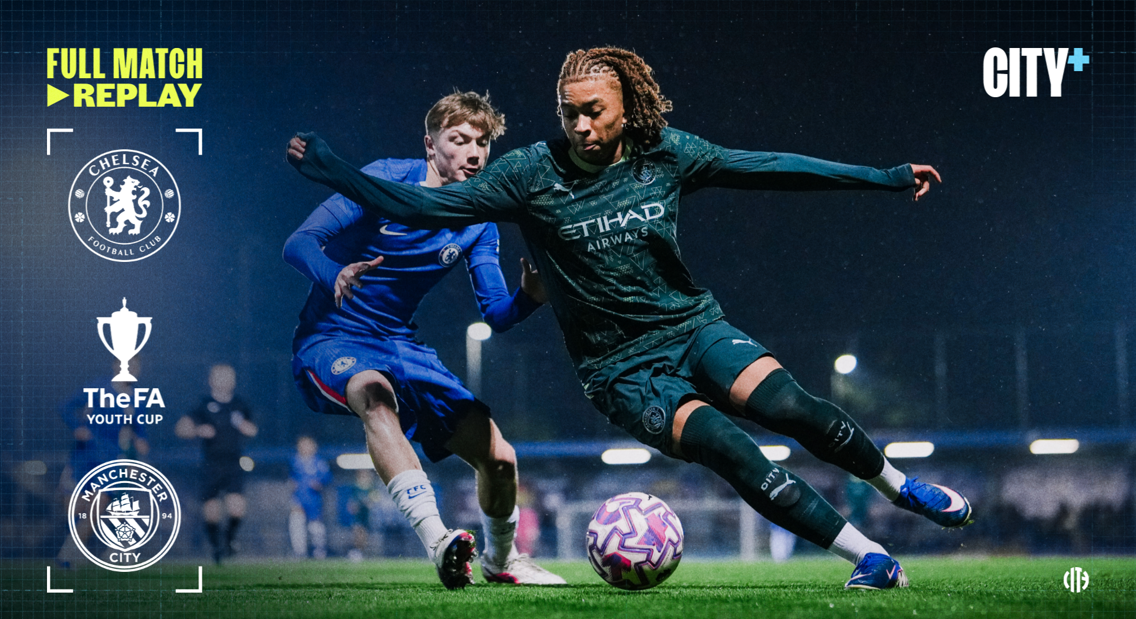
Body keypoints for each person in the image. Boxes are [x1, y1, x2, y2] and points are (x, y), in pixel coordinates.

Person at [287, 47, 975, 591]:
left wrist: (882, 177)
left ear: (629, 107)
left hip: (692, 326)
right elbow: (419, 209)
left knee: (794, 408)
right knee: (732, 450)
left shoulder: (665, 153)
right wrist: (338, 171)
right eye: (568, 114)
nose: (581, 126)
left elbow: (767, 167)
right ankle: (870, 558)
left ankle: (899, 486)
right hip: (620, 370)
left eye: (593, 111)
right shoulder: (529, 172)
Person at [283, 90, 564, 588]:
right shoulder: (385, 179)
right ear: (430, 145)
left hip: (401, 345)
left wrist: (530, 297)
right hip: (334, 334)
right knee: (375, 396)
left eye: (482, 143)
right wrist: (334, 274)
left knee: (500, 459)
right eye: (459, 140)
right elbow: (299, 242)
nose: (474, 153)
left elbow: (497, 314)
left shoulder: (479, 221)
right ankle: (438, 540)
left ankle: (503, 561)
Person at [56, 357, 151, 567]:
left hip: (110, 458)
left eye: (136, 366)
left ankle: (68, 555)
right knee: (73, 508)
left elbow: (139, 429)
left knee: (98, 504)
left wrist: (140, 445)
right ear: (115, 366)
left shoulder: (137, 399)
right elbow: (65, 407)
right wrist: (76, 427)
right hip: (84, 456)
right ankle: (75, 547)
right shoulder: (97, 387)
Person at [175, 363, 258, 564]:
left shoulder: (239, 404)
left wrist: (246, 428)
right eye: (221, 376)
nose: (226, 380)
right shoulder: (203, 405)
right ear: (211, 380)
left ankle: (229, 541)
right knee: (211, 512)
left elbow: (253, 429)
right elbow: (181, 428)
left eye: (229, 376)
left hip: (233, 463)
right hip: (211, 463)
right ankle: (216, 548)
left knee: (237, 508)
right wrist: (196, 431)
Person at [288, 435, 333, 559]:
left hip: (313, 499)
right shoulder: (295, 461)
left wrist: (320, 483)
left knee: (316, 527)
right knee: (297, 524)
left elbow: (327, 477)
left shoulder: (319, 462)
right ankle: (299, 552)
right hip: (298, 498)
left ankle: (319, 550)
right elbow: (292, 477)